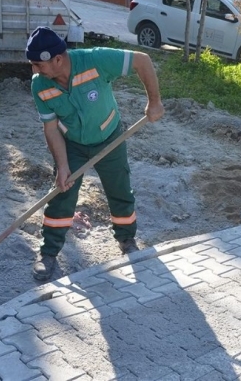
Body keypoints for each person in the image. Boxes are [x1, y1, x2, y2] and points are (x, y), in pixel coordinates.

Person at [25, 26, 164, 280]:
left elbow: (142, 61)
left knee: (119, 189)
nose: (34, 70)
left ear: (57, 59)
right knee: (61, 192)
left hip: (109, 136)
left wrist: (154, 101)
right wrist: (63, 165)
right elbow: (51, 128)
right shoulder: (39, 85)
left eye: (37, 64)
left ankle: (126, 240)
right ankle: (49, 254)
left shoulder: (95, 60)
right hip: (73, 144)